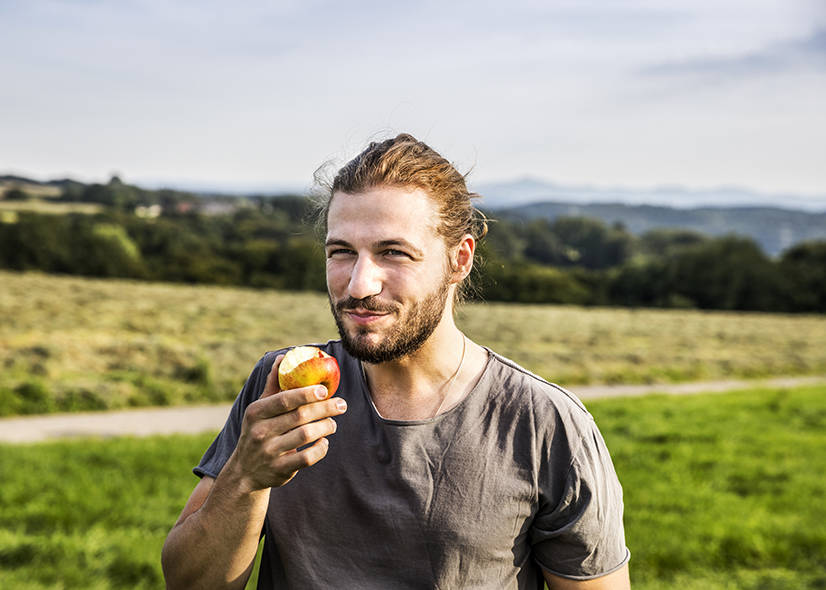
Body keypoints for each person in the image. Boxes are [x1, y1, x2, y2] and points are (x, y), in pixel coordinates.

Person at [161, 134, 631, 589]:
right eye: (342, 252)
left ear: (459, 260)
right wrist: (245, 478)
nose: (359, 284)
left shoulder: (546, 424)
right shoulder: (280, 385)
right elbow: (188, 583)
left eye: (393, 253)